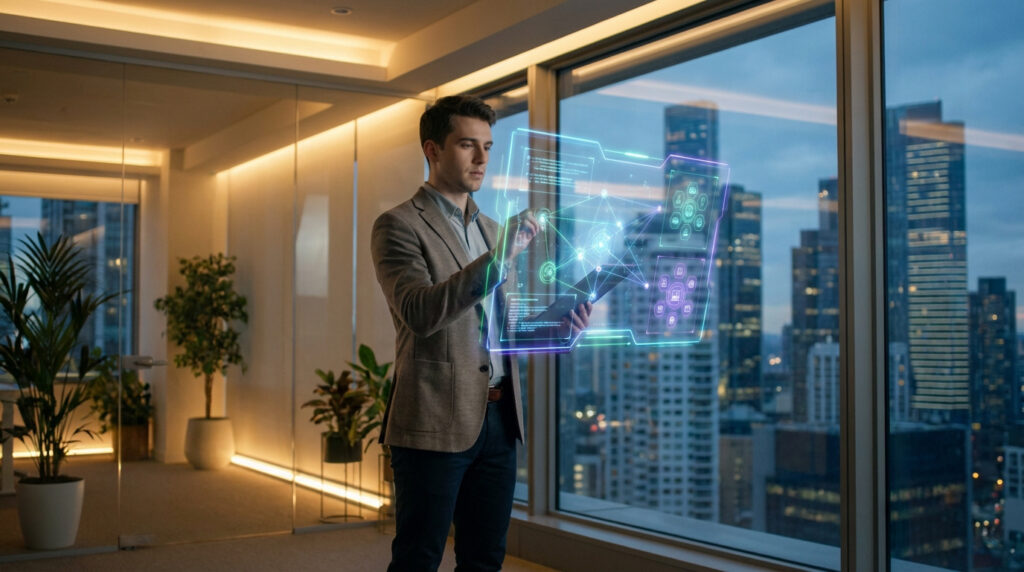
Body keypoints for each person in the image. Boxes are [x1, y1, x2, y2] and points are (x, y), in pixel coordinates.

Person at [371, 94, 591, 571]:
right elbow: (420, 311)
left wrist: (558, 328)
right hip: (433, 418)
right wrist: (499, 259)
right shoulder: (398, 226)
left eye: (488, 146)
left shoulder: (494, 229)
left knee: (485, 559)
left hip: (499, 421)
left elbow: (501, 329)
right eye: (467, 145)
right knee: (417, 558)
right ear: (432, 150)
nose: (482, 159)